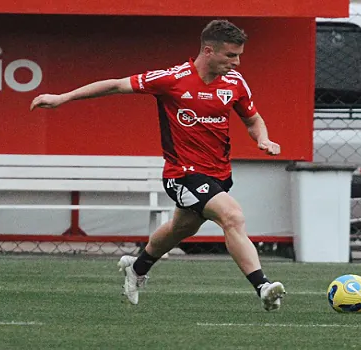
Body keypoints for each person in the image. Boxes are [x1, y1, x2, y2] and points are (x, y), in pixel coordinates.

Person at [30, 19, 286, 311]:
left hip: (219, 175)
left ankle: (137, 268)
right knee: (233, 217)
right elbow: (115, 85)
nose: (237, 62)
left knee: (179, 230)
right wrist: (62, 98)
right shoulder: (173, 78)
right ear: (208, 50)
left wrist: (263, 139)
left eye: (239, 55)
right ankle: (263, 287)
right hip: (182, 174)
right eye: (230, 55)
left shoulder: (234, 83)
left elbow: (253, 120)